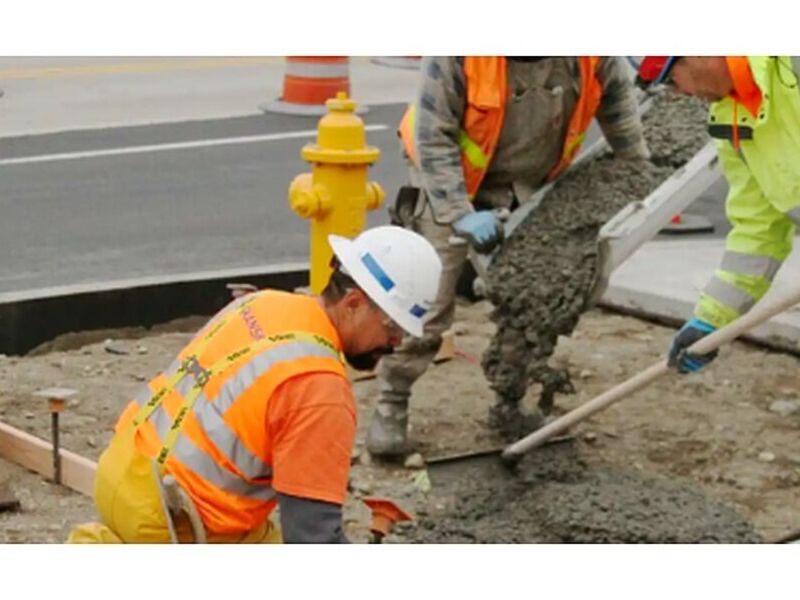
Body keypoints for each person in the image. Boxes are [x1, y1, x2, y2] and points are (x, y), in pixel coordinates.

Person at [68, 226, 442, 543]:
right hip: (169, 523)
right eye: (392, 326)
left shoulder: (263, 304)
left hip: (125, 470)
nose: (396, 343)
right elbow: (312, 538)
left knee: (266, 537)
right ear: (354, 303)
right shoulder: (319, 388)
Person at [368, 56, 650, 457]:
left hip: (531, 182)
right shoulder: (457, 55)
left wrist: (637, 168)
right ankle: (392, 400)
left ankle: (510, 402)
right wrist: (460, 213)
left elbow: (619, 105)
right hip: (450, 178)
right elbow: (434, 139)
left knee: (536, 295)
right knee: (426, 302)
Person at [637, 56, 800, 374]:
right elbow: (758, 230)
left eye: (671, 79)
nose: (677, 94)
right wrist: (711, 321)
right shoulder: (732, 120)